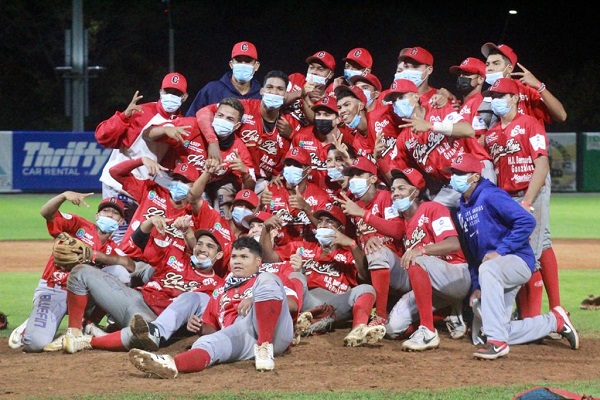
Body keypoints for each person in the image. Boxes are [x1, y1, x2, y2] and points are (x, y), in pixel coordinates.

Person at [450, 153, 579, 360]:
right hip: (494, 270)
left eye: (459, 173)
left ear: (474, 177)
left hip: (518, 260)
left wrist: (500, 251)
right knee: (494, 330)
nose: (453, 177)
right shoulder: (462, 208)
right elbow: (472, 253)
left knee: (488, 270)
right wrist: (476, 286)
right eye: (453, 172)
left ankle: (497, 343)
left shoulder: (490, 194)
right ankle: (555, 321)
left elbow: (526, 221)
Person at [128, 237, 294, 377]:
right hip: (243, 337)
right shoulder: (220, 291)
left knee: (268, 280)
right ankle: (171, 364)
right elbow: (213, 327)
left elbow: (292, 305)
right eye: (234, 257)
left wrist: (255, 297)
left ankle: (264, 348)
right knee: (207, 342)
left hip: (275, 334)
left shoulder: (266, 277)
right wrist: (200, 328)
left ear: (258, 261)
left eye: (244, 257)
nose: (237, 261)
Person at [59, 215, 226, 354]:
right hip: (134, 300)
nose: (203, 248)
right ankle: (74, 332)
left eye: (209, 246)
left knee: (144, 334)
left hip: (152, 320)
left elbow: (212, 323)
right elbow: (137, 245)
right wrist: (150, 222)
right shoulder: (175, 255)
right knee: (81, 272)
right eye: (200, 244)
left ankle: (89, 340)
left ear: (218, 255)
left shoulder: (217, 286)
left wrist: (193, 327)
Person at [8, 193, 134, 352]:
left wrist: (97, 256)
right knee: (35, 344)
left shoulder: (112, 248)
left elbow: (130, 266)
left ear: (121, 221)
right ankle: (29, 325)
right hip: (54, 289)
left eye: (115, 213)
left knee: (120, 273)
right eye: (106, 211)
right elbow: (46, 213)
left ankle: (87, 323)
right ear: (97, 215)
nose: (110, 214)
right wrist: (63, 196)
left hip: (83, 298)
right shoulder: (78, 225)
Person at [260, 205, 385, 347]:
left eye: (329, 222)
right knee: (297, 275)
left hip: (335, 302)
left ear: (340, 229)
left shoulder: (349, 255)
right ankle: (294, 326)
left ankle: (358, 330)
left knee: (367, 288)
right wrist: (265, 229)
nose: (322, 225)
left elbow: (365, 276)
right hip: (308, 298)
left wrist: (352, 244)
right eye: (320, 221)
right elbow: (268, 258)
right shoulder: (302, 247)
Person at [382, 168, 470, 351]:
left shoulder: (432, 208)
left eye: (402, 188)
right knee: (392, 329)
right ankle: (446, 314)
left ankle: (428, 332)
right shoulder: (403, 223)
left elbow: (453, 243)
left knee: (415, 258)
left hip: (455, 275)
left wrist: (422, 250)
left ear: (415, 192)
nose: (395, 193)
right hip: (431, 288)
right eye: (393, 190)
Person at [95, 72, 189, 243]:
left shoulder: (182, 123)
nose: (171, 96)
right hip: (118, 182)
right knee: (114, 236)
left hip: (143, 189)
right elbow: (103, 137)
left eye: (176, 93)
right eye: (167, 91)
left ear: (184, 97)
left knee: (138, 239)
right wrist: (123, 116)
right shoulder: (142, 111)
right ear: (160, 91)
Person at [195, 97, 256, 218]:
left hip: (215, 186)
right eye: (220, 115)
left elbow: (250, 188)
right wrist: (212, 142)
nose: (223, 120)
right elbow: (202, 112)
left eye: (229, 119)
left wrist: (245, 173)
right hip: (190, 184)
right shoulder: (196, 129)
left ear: (237, 125)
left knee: (224, 192)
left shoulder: (239, 149)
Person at [259, 146, 331, 246]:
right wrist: (260, 205)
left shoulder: (320, 196)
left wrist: (306, 208)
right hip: (278, 253)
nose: (291, 168)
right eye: (288, 164)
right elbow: (255, 227)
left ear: (308, 169)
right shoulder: (272, 191)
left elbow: (328, 236)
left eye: (297, 165)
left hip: (311, 254)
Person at [185, 41, 262, 117]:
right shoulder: (212, 90)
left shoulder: (262, 96)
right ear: (231, 64)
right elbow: (191, 120)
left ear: (256, 66)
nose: (243, 64)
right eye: (238, 61)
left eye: (247, 61)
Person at [285, 50, 336, 127]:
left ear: (330, 74)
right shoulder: (296, 79)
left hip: (301, 137)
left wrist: (307, 99)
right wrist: (301, 93)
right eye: (311, 67)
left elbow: (316, 124)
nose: (314, 72)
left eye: (320, 69)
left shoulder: (327, 100)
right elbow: (278, 100)